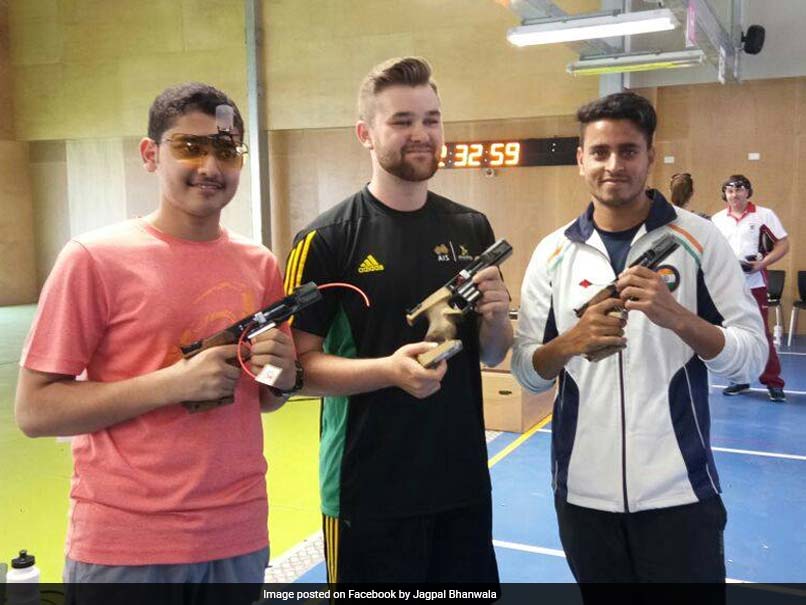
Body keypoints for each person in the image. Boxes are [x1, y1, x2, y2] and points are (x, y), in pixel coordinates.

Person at [15, 83, 299, 589]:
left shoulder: (259, 265)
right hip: (127, 546)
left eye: (227, 149)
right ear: (151, 154)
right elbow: (36, 411)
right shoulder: (93, 259)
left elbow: (265, 399)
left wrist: (280, 369)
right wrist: (172, 384)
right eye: (190, 147)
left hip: (238, 537)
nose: (211, 166)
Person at [512, 92, 767, 586]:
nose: (614, 165)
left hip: (680, 494)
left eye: (629, 151)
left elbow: (751, 359)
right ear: (581, 159)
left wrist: (678, 318)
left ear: (651, 157)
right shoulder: (552, 252)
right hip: (583, 497)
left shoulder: (699, 239)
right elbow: (527, 371)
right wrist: (570, 342)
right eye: (601, 152)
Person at [284, 56, 511, 585]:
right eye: (402, 121)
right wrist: (387, 371)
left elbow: (493, 353)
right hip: (368, 491)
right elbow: (296, 371)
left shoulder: (471, 227)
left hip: (461, 486)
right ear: (365, 133)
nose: (421, 134)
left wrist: (498, 317)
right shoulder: (326, 241)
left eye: (431, 119)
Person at [711, 174, 789, 402]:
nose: (734, 194)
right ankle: (739, 378)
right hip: (726, 287)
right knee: (733, 333)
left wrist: (761, 264)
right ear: (724, 194)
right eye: (729, 190)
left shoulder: (764, 215)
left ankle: (773, 382)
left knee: (761, 333)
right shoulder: (717, 219)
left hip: (755, 285)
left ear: (748, 191)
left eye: (739, 189)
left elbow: (783, 244)